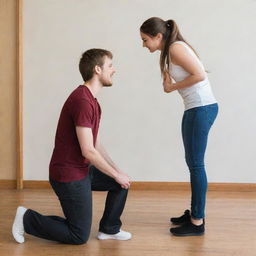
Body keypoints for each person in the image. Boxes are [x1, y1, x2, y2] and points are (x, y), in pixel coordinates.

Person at [12, 48, 132, 244]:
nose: (114, 70)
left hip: (82, 170)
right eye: (110, 65)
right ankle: (26, 219)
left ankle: (109, 229)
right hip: (68, 176)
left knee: (120, 184)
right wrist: (115, 173)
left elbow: (96, 143)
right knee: (78, 236)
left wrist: (117, 172)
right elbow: (88, 150)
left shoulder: (92, 101)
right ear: (97, 70)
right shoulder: (82, 101)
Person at [140, 17, 218, 236]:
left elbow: (200, 74)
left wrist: (172, 86)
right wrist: (169, 84)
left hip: (201, 108)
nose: (144, 45)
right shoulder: (171, 50)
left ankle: (197, 222)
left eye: (145, 40)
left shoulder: (175, 48)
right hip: (195, 108)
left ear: (158, 36)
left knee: (196, 165)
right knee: (192, 163)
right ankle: (194, 212)